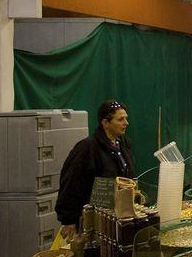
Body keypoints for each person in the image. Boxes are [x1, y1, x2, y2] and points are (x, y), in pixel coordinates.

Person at [57, 101, 136, 240]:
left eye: (126, 118)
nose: (126, 123)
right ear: (105, 123)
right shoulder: (87, 148)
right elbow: (71, 182)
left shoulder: (123, 144)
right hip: (93, 221)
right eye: (120, 119)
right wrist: (68, 219)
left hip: (117, 217)